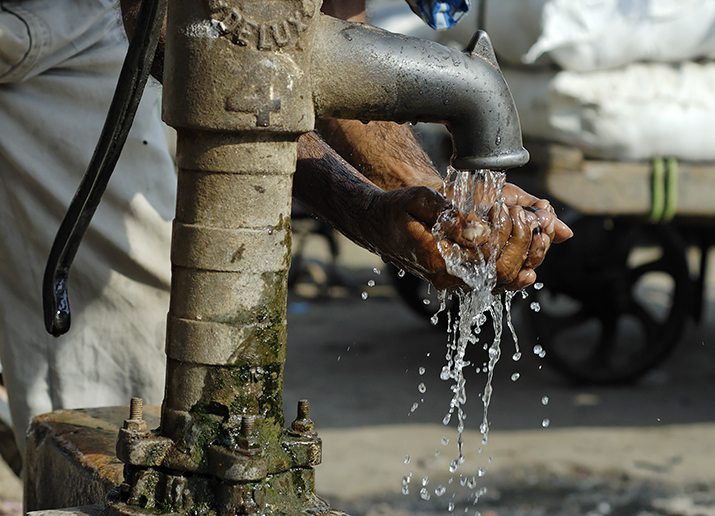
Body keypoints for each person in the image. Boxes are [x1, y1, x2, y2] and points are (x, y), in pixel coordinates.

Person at [0, 0, 571, 464]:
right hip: (141, 19)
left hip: (70, 25)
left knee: (117, 383)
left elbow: (309, 36)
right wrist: (362, 211)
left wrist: (440, 208)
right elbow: (197, 39)